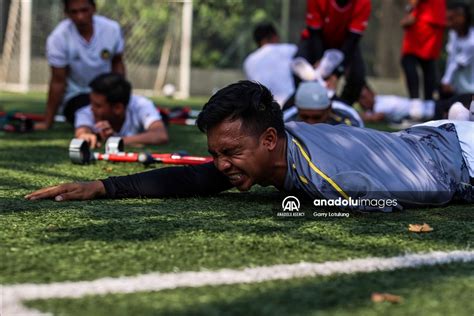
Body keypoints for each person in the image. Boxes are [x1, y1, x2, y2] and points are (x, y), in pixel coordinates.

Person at [26, 81, 473, 212]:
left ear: (270, 139)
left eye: (231, 153)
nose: (221, 165)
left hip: (459, 160)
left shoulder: (333, 182)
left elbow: (433, 192)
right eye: (218, 152)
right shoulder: (270, 147)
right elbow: (199, 176)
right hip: (426, 135)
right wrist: (105, 187)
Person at [36, 0, 126, 130]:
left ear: (93, 8)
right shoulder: (58, 38)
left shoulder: (112, 29)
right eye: (74, 12)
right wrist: (47, 122)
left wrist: (122, 95)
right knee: (93, 116)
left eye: (84, 10)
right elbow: (58, 81)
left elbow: (117, 63)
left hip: (107, 94)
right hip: (76, 95)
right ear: (66, 13)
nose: (80, 17)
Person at [295, 0, 371, 105]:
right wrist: (320, 63)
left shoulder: (363, 3)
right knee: (299, 68)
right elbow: (314, 32)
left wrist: (336, 74)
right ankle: (299, 107)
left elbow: (352, 41)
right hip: (316, 39)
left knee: (357, 77)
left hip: (344, 44)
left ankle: (341, 109)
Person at [75, 73, 168, 148]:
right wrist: (84, 135)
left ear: (117, 108)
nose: (91, 108)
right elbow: (82, 130)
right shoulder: (85, 112)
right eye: (91, 102)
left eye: (98, 105)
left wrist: (115, 140)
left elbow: (160, 135)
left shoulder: (141, 104)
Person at [243, 22, 297, 108]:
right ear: (275, 36)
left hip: (263, 111)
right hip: (290, 107)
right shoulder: (290, 50)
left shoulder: (249, 61)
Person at [400, 0, 446, 100]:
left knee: (408, 59)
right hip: (436, 20)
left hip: (423, 21)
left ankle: (415, 100)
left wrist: (409, 11)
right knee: (428, 63)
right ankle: (428, 101)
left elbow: (413, 2)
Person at [357, 84, 473, 123]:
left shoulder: (378, 102)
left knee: (463, 100)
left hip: (430, 106)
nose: (363, 101)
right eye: (360, 99)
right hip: (430, 111)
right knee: (462, 102)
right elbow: (377, 117)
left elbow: (373, 116)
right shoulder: (377, 107)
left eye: (364, 97)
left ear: (371, 93)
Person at [283, 81, 364, 127]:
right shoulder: (286, 123)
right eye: (305, 117)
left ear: (329, 109)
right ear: (297, 110)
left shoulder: (349, 120)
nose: (311, 123)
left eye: (317, 117)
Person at [440, 2, 474, 98]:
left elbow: (458, 63)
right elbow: (451, 59)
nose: (448, 23)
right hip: (456, 89)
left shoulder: (472, 41)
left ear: (462, 18)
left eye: (451, 18)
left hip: (470, 90)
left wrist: (446, 81)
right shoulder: (453, 35)